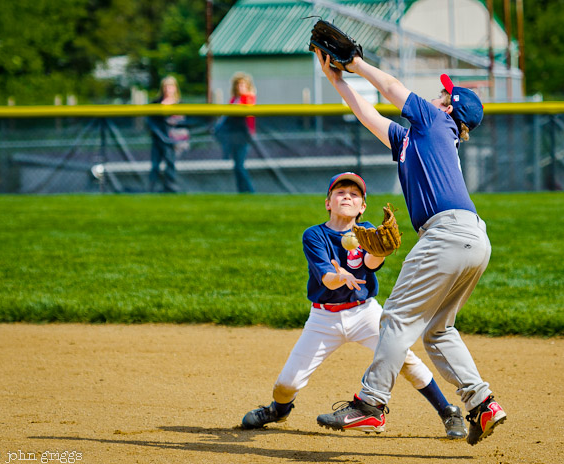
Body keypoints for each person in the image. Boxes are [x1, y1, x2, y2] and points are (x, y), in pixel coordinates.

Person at [314, 50, 507, 446]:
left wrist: (355, 62)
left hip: (445, 234)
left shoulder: (436, 120)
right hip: (473, 239)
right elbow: (370, 115)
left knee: (395, 320)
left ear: (448, 108)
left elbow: (391, 88)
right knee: (438, 330)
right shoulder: (416, 138)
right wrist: (337, 80)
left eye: (441, 93)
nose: (436, 95)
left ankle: (370, 406)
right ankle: (482, 402)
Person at [241, 172, 469, 439]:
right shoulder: (314, 235)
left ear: (362, 207)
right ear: (328, 202)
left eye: (354, 194)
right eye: (340, 192)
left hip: (365, 313)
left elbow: (371, 264)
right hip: (323, 318)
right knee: (286, 383)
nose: (346, 196)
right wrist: (341, 276)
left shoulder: (367, 232)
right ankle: (278, 410)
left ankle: (448, 412)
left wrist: (379, 252)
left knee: (406, 360)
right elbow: (327, 278)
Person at [213, 72, 256, 193]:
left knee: (239, 166)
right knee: (237, 165)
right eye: (238, 84)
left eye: (243, 84)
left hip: (243, 135)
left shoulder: (248, 97)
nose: (240, 87)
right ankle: (241, 191)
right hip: (233, 135)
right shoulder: (234, 99)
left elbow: (248, 115)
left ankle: (249, 191)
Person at [147, 75, 186, 193]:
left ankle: (170, 188)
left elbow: (182, 122)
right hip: (158, 138)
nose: (168, 89)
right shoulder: (156, 103)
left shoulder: (180, 103)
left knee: (170, 164)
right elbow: (150, 121)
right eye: (166, 86)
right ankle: (152, 188)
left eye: (171, 86)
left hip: (171, 139)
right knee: (155, 165)